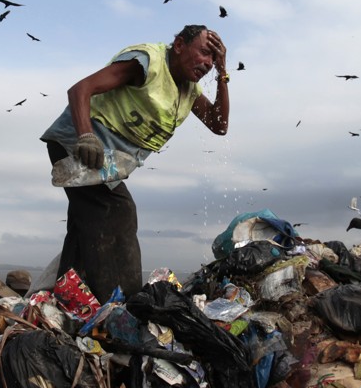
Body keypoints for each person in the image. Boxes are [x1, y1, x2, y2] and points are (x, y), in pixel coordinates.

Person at [41, 25, 229, 301]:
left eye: (213, 59)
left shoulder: (188, 91)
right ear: (178, 45)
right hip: (78, 145)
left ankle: (67, 298)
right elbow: (80, 89)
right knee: (118, 211)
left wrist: (224, 73)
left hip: (109, 164)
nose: (207, 63)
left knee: (85, 227)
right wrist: (85, 136)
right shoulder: (147, 63)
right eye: (203, 52)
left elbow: (219, 124)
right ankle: (123, 305)